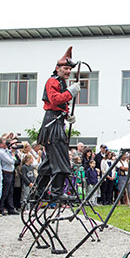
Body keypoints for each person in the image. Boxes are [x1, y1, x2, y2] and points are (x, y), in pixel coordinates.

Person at [34, 47, 80, 201]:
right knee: (61, 159)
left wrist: (67, 115)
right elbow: (55, 100)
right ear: (57, 68)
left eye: (69, 69)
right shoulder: (53, 81)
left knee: (49, 162)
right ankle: (57, 192)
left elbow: (59, 105)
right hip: (53, 125)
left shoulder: (60, 82)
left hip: (56, 122)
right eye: (65, 68)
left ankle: (37, 192)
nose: (68, 72)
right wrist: (71, 92)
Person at [0, 138, 19, 215]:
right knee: (5, 192)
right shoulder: (1, 152)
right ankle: (0, 208)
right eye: (4, 142)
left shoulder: (6, 151)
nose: (6, 143)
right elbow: (11, 161)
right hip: (5, 172)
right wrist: (12, 155)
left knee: (10, 192)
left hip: (11, 172)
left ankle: (10, 208)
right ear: (0, 144)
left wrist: (13, 149)